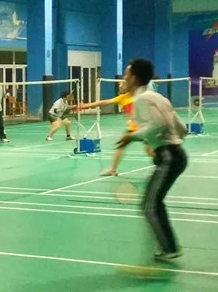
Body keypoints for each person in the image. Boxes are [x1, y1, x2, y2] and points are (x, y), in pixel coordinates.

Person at [112, 59, 188, 262]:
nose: (124, 78)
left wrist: (132, 137)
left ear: (134, 79)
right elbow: (181, 127)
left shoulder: (141, 100)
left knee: (150, 205)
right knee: (152, 203)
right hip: (175, 154)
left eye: (126, 75)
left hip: (168, 157)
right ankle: (167, 246)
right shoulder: (157, 97)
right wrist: (170, 142)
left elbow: (158, 124)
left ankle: (169, 248)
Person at [75, 83, 140, 177]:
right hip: (132, 128)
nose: (120, 86)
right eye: (119, 85)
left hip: (145, 127)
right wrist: (87, 105)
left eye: (122, 84)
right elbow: (104, 102)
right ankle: (112, 169)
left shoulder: (140, 96)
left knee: (150, 150)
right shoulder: (123, 98)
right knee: (121, 146)